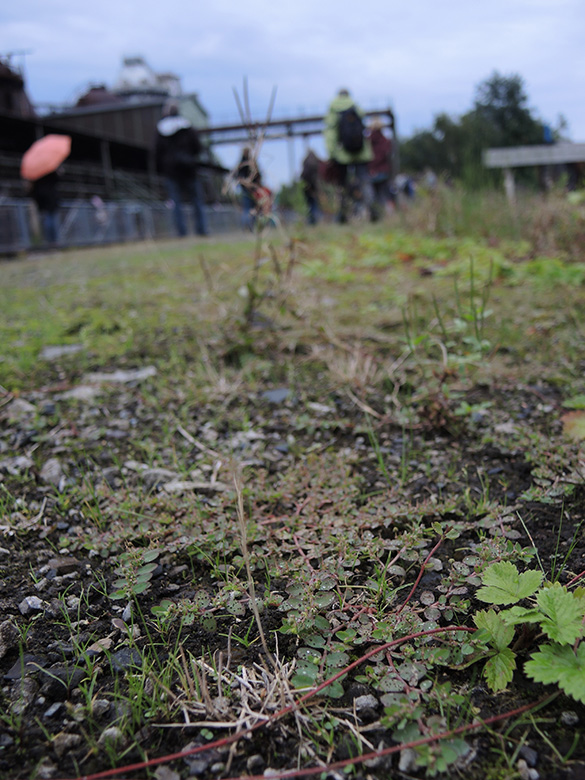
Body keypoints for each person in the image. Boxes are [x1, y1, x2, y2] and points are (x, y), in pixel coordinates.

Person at [155, 100, 208, 237]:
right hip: (189, 169)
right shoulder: (188, 128)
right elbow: (197, 147)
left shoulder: (161, 130)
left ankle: (181, 232)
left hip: (171, 171)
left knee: (176, 203)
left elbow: (157, 152)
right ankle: (201, 230)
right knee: (196, 201)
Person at [323, 88, 374, 223]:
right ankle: (373, 210)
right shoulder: (355, 106)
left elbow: (330, 133)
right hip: (360, 152)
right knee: (365, 182)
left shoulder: (333, 109)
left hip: (342, 155)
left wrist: (331, 153)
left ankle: (342, 215)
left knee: (342, 186)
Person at [368, 119, 395, 216]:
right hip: (383, 171)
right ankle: (390, 214)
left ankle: (378, 214)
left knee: (375, 194)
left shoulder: (368, 141)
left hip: (371, 172)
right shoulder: (386, 140)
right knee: (386, 193)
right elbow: (387, 155)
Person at [235, 147, 263, 230]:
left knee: (253, 209)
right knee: (247, 209)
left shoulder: (251, 163)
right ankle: (247, 227)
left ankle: (252, 227)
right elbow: (239, 177)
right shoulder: (243, 164)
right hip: (246, 191)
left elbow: (258, 175)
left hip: (253, 190)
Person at [31, 171, 61, 246]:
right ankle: (53, 241)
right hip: (48, 202)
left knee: (49, 221)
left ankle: (51, 241)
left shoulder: (37, 177)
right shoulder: (49, 175)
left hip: (46, 203)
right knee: (50, 222)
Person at [300, 150, 321, 225]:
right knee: (314, 205)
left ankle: (311, 221)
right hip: (313, 189)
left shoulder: (306, 166)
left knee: (310, 205)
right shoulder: (315, 164)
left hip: (307, 190)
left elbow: (302, 177)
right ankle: (314, 221)